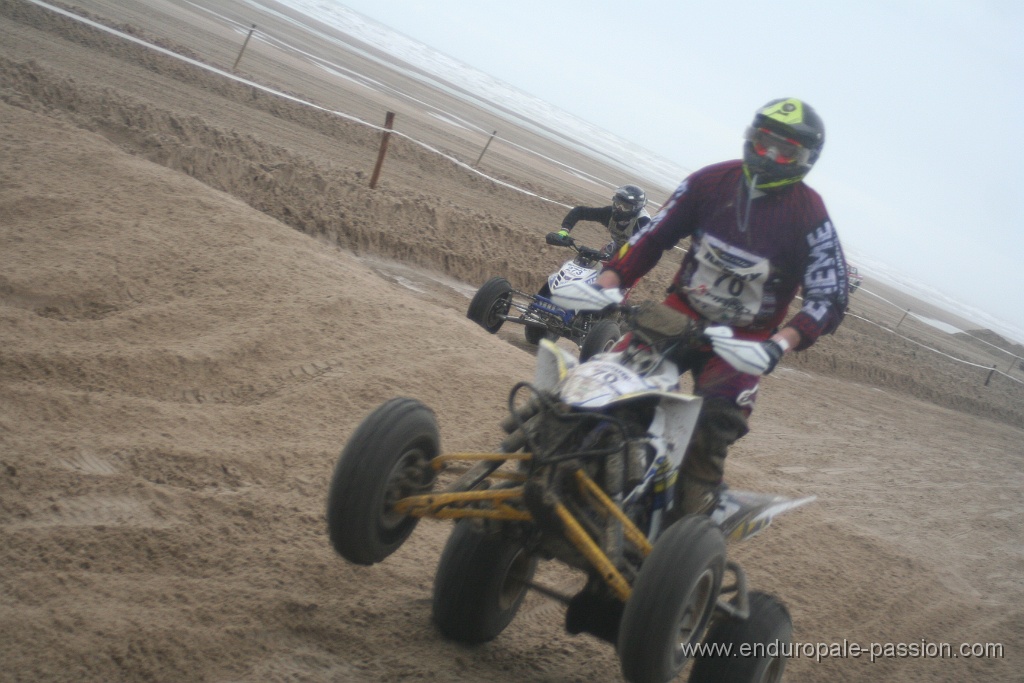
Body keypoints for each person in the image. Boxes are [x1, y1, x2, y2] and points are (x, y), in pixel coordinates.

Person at [593, 98, 850, 516]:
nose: (769, 156)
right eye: (764, 142)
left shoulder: (811, 217)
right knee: (611, 384)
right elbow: (652, 237)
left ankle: (690, 528)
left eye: (785, 151)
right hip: (678, 314)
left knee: (712, 426)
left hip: (745, 341)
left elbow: (830, 296)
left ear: (805, 160)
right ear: (751, 136)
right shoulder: (710, 182)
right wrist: (606, 282)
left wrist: (780, 344)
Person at [548, 184, 652, 256]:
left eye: (625, 206)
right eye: (617, 203)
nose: (618, 208)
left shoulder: (643, 223)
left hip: (634, 256)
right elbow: (580, 211)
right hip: (617, 245)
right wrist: (563, 232)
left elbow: (646, 251)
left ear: (636, 208)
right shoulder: (609, 213)